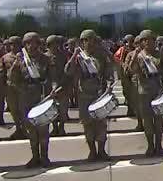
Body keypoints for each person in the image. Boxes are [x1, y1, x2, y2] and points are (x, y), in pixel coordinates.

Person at [66, 29, 114, 161]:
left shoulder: (101, 56)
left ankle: (101, 151)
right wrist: (73, 56)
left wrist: (110, 84)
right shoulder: (79, 57)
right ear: (81, 42)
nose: (89, 43)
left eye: (91, 40)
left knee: (101, 124)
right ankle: (92, 151)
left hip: (99, 94)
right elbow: (68, 71)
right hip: (84, 95)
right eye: (85, 40)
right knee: (87, 124)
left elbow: (110, 72)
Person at [9, 32, 54, 168]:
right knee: (30, 129)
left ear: (39, 44)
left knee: (43, 129)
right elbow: (11, 78)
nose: (31, 46)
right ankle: (35, 156)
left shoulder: (46, 59)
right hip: (26, 97)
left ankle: (45, 157)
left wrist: (52, 89)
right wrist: (15, 65)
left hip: (41, 96)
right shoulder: (21, 60)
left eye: (34, 42)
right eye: (28, 43)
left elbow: (53, 77)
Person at [127, 29, 163, 156]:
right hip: (144, 91)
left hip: (157, 89)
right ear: (142, 42)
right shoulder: (138, 56)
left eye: (151, 40)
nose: (149, 42)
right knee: (147, 120)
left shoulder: (159, 54)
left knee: (158, 119)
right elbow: (131, 70)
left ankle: (159, 145)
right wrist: (134, 56)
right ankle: (150, 145)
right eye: (146, 40)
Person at [1, 36, 27, 139]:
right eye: (11, 44)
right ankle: (18, 128)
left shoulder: (26, 56)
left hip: (23, 86)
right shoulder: (5, 57)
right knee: (13, 109)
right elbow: (2, 73)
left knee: (23, 110)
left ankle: (24, 129)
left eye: (16, 44)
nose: (13, 46)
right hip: (10, 86)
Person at [45, 35, 71, 136]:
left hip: (63, 85)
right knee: (52, 109)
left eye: (57, 44)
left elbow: (68, 71)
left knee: (63, 109)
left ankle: (62, 128)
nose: (56, 46)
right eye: (53, 44)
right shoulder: (45, 57)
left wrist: (64, 83)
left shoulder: (64, 56)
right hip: (50, 86)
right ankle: (55, 128)